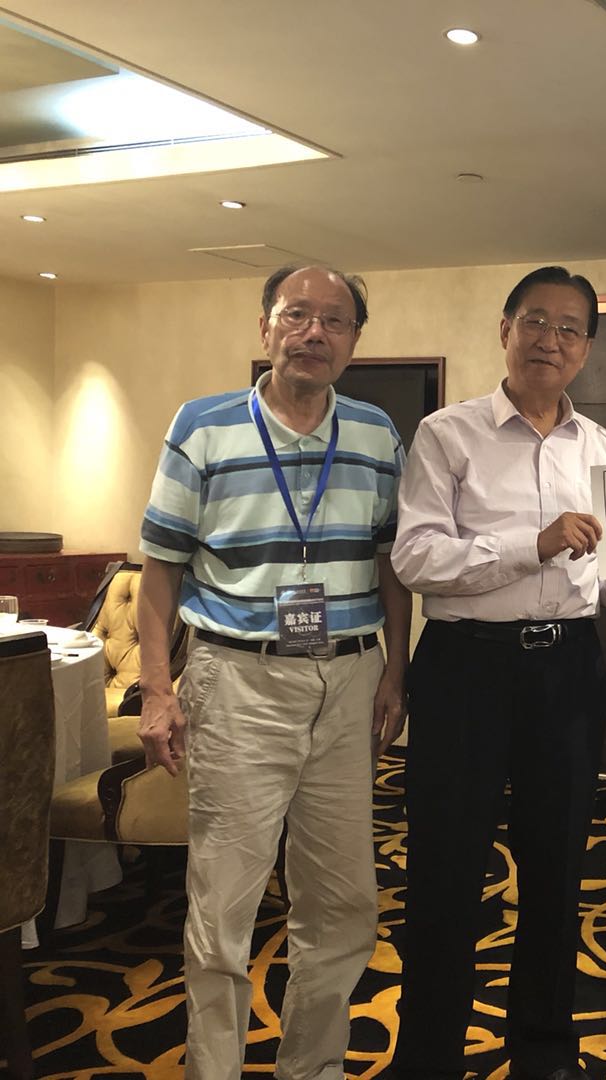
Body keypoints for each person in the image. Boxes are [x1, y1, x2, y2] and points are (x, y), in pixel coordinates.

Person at [387, 266, 606, 1080]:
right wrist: (533, 543)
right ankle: (428, 1057)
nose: (551, 339)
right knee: (445, 870)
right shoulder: (447, 433)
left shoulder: (601, 447)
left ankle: (544, 1051)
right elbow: (416, 559)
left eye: (570, 328)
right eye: (536, 321)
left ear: (587, 348)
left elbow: (599, 575)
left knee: (557, 868)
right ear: (505, 329)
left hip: (568, 672)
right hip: (466, 671)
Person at [136, 264, 411, 1079]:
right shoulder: (203, 426)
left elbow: (391, 564)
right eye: (296, 314)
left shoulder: (376, 434)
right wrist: (157, 690)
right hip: (238, 680)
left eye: (335, 320)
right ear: (266, 327)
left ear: (354, 340)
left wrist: (397, 670)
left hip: (350, 679)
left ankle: (312, 1067)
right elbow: (160, 570)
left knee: (343, 903)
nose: (314, 332)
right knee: (223, 905)